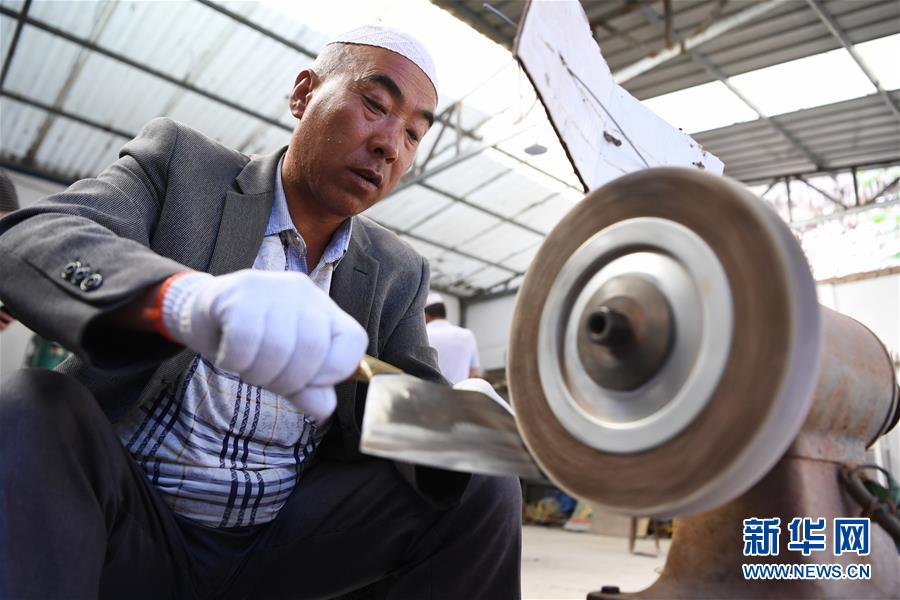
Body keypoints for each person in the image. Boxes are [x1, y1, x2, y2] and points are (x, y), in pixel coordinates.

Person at [0, 25, 521, 600]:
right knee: (33, 401)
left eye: (414, 134)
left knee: (481, 475)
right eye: (375, 105)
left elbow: (408, 412)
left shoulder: (397, 272)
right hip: (130, 521)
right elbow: (34, 234)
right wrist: (186, 301)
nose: (390, 145)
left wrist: (460, 422)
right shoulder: (182, 166)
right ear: (303, 94)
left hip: (285, 550)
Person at [425, 291, 481, 384]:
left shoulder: (424, 335)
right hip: (459, 392)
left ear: (425, 315)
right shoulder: (467, 335)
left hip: (428, 392)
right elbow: (473, 370)